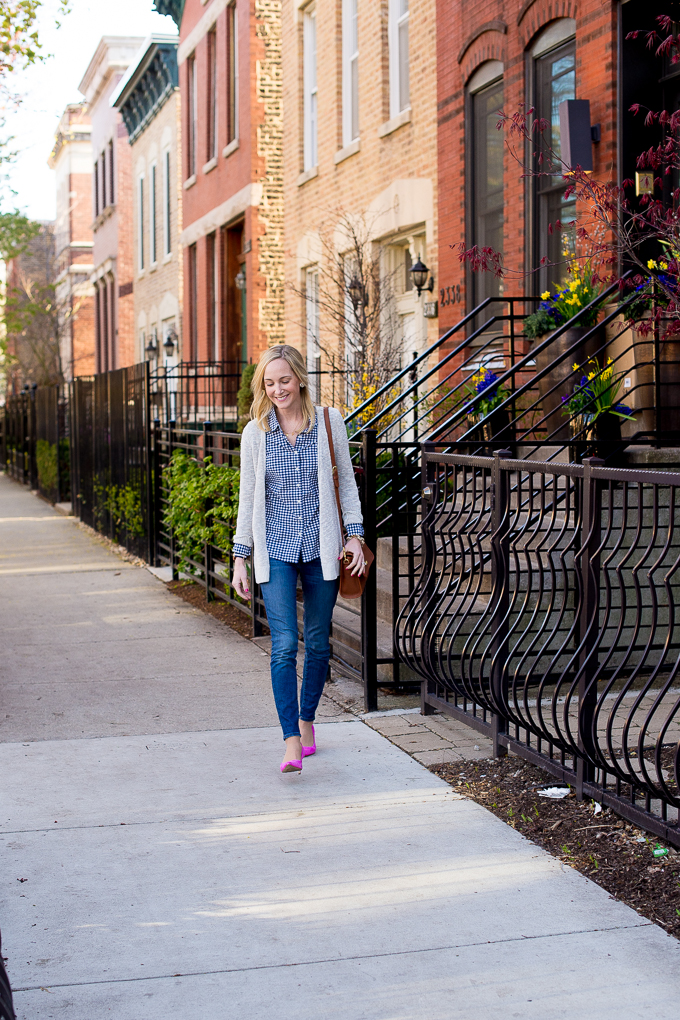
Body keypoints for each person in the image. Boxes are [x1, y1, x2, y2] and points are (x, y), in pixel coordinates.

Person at [232, 345, 366, 774]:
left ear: (300, 379)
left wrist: (356, 537)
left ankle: (308, 720)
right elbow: (247, 499)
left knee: (318, 642)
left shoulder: (329, 422)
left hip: (322, 549)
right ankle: (291, 737)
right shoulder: (255, 434)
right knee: (284, 645)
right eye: (269, 383)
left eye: (284, 381)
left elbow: (346, 483)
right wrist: (241, 557)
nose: (277, 390)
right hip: (277, 551)